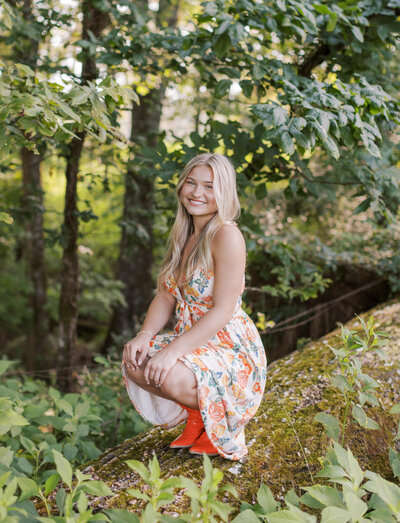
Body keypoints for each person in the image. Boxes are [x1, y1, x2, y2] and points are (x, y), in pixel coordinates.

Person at [122, 153, 267, 460]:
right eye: (192, 183)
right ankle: (199, 416)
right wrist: (146, 334)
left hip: (228, 345)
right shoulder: (184, 232)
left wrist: (172, 351)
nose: (197, 193)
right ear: (182, 186)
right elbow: (166, 295)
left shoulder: (227, 235)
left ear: (224, 192)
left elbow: (223, 310)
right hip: (194, 341)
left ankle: (224, 426)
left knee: (169, 372)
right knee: (134, 362)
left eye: (209, 186)